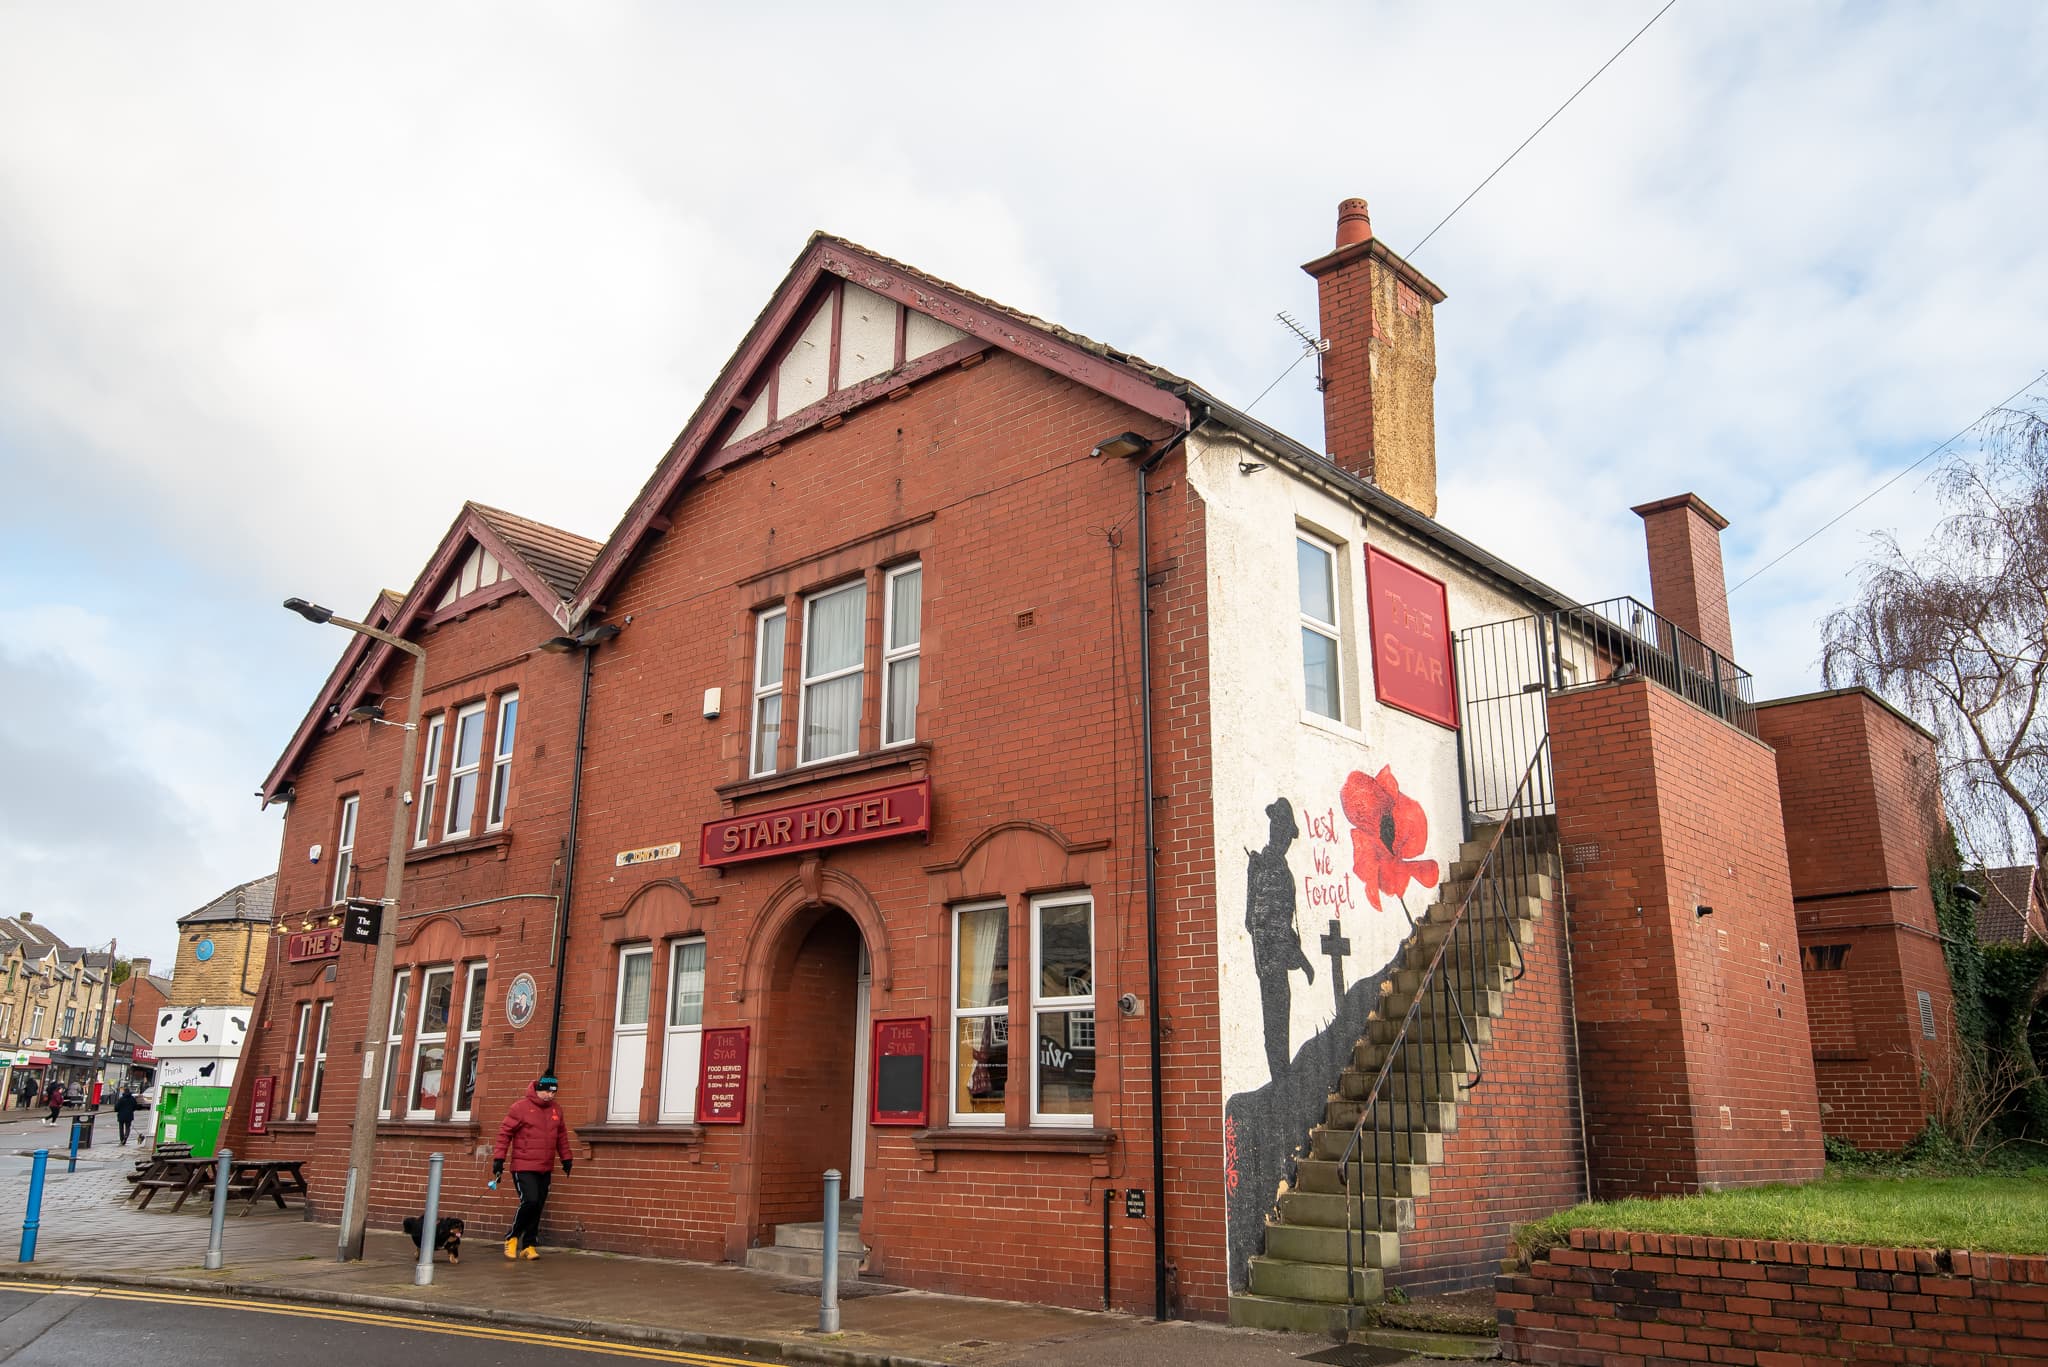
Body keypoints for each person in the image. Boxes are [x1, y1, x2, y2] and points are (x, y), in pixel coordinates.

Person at [491, 1075, 573, 1260]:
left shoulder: (556, 1110)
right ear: (537, 1089)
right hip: (523, 1165)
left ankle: (528, 1244)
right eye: (546, 1091)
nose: (549, 1095)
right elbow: (505, 1133)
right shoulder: (520, 1108)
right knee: (530, 1201)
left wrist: (566, 1158)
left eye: (553, 1092)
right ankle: (511, 1237)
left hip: (545, 1166)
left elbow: (561, 1137)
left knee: (538, 1205)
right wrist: (499, 1158)